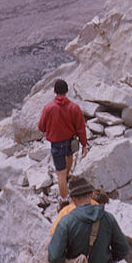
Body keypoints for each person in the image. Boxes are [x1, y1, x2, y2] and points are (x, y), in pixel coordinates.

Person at [40, 186, 111, 263]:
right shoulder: (96, 212)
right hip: (72, 243)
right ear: (101, 203)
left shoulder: (69, 207)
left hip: (52, 239)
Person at [38, 79, 88, 209]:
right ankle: (67, 178)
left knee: (60, 172)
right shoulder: (74, 107)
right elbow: (81, 128)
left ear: (54, 92)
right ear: (67, 91)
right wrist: (84, 144)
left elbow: (41, 127)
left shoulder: (48, 108)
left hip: (56, 143)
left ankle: (64, 200)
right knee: (69, 157)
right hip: (70, 141)